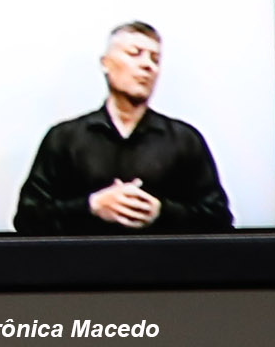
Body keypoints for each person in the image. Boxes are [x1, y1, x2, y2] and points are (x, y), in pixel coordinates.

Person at [13, 21, 233, 235]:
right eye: (135, 53)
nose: (147, 65)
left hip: (159, 260)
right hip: (86, 260)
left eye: (155, 59)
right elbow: (27, 218)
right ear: (105, 63)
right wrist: (92, 206)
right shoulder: (64, 138)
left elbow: (219, 219)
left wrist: (162, 212)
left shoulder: (185, 140)